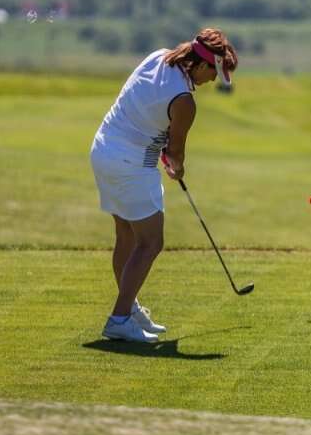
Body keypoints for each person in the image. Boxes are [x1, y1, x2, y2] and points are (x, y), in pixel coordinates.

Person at [89, 28, 238, 342]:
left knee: (127, 236)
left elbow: (143, 109)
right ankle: (119, 318)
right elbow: (175, 153)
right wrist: (177, 168)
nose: (213, 80)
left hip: (103, 149)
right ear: (202, 64)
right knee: (150, 242)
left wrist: (163, 150)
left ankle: (129, 309)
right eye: (214, 72)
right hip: (130, 163)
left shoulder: (158, 57)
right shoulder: (185, 101)